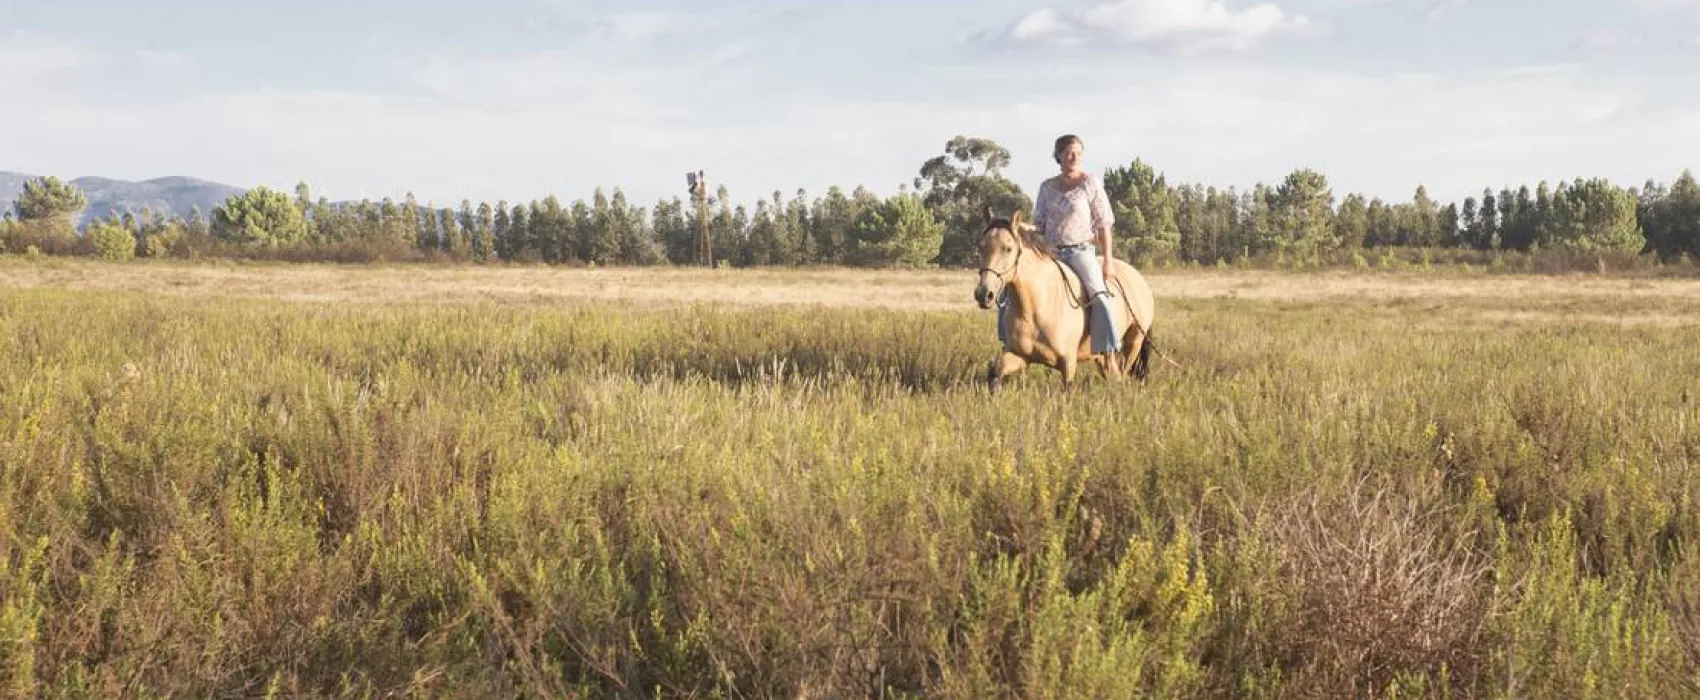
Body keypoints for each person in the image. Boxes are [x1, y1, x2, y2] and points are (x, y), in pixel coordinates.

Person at [1027, 133, 1120, 357]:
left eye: (1078, 152)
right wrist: (1016, 228)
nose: (1074, 156)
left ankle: (1106, 348)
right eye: (1068, 152)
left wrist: (1107, 260)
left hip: (1080, 252)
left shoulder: (1090, 183)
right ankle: (1012, 340)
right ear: (1058, 156)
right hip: (1050, 253)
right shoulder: (1046, 187)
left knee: (1098, 295)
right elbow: (1038, 225)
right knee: (1013, 290)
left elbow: (1104, 223)